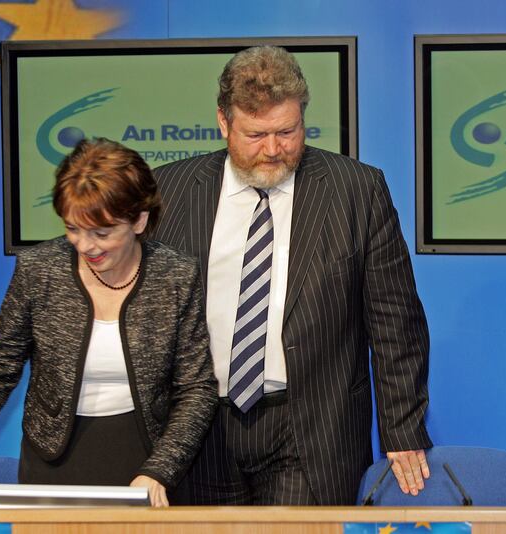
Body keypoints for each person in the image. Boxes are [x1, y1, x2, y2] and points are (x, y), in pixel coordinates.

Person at [152, 45, 431, 505]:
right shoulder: (171, 190)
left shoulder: (356, 190)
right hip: (198, 429)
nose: (274, 149)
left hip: (310, 427)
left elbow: (394, 320)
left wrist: (401, 427)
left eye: (288, 130)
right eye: (256, 134)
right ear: (223, 122)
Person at [0, 139, 217, 507]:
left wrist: (160, 470)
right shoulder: (40, 270)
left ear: (139, 220)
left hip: (146, 460)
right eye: (73, 228)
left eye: (102, 232)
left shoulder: (176, 276)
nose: (86, 246)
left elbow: (196, 388)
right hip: (52, 459)